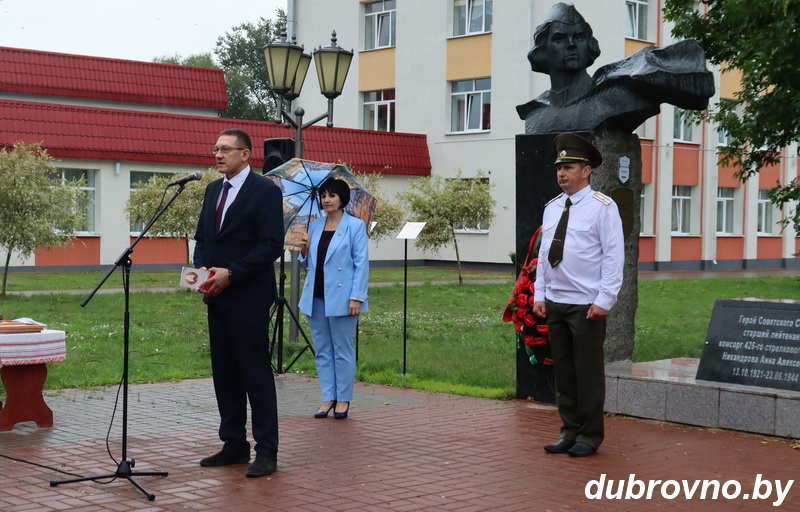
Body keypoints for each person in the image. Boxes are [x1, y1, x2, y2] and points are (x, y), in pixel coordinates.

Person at [193, 128, 284, 478]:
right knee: (225, 374)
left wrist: (232, 273)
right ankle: (233, 444)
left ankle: (267, 451)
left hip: (247, 295)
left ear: (246, 155)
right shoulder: (213, 189)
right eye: (215, 148)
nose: (218, 154)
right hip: (216, 295)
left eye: (226, 149)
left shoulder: (265, 191)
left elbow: (270, 244)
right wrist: (203, 271)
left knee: (254, 374)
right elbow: (203, 238)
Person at [532, 133, 624, 458]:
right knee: (564, 372)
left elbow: (614, 256)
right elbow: (545, 254)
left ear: (586, 171)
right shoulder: (552, 208)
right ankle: (568, 430)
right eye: (559, 168)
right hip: (555, 302)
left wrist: (605, 300)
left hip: (586, 304)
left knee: (587, 373)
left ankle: (590, 434)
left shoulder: (603, 208)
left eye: (568, 167)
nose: (561, 173)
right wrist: (539, 294)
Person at [516, 2, 714, 134]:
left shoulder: (618, 97)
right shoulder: (535, 114)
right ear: (542, 52)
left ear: (589, 46)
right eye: (559, 38)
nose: (571, 44)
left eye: (579, 37)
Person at [298, 178, 369, 420]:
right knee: (323, 350)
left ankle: (344, 399)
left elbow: (361, 264)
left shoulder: (355, 226)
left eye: (332, 195)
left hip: (343, 297)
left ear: (342, 199)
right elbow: (309, 263)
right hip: (315, 296)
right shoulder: (314, 226)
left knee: (342, 350)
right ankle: (328, 396)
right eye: (324, 195)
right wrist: (304, 249)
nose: (326, 200)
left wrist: (357, 297)